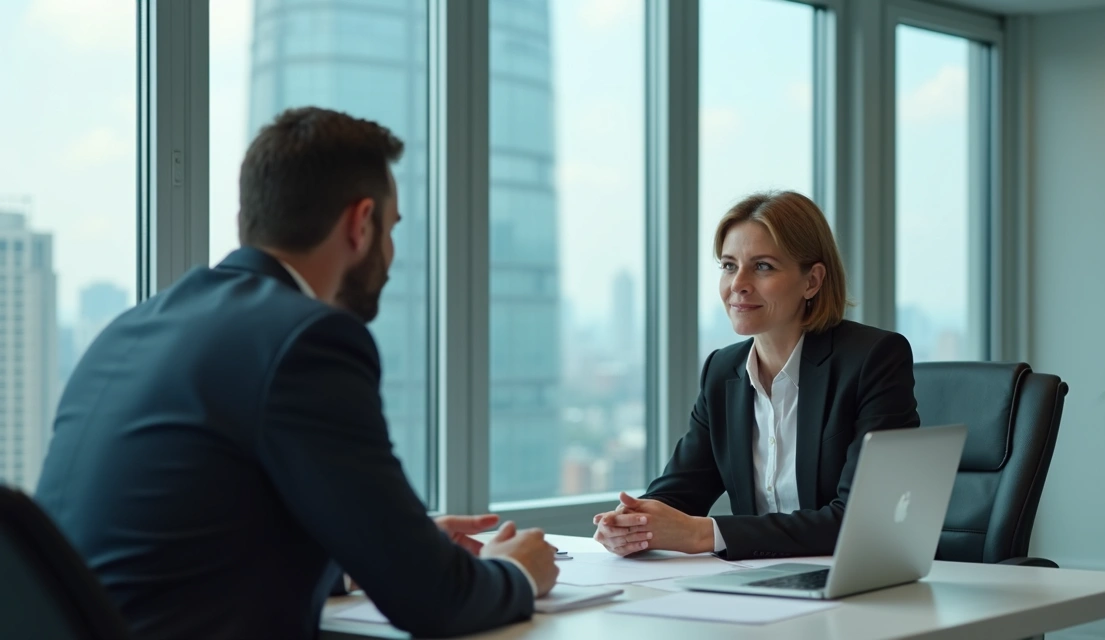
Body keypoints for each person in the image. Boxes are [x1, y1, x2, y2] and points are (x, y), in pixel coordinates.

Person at [34, 107, 557, 639]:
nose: (392, 255)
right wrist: (516, 570)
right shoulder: (307, 340)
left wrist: (377, 554)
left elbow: (188, 552)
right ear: (361, 224)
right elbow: (435, 603)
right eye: (392, 228)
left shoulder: (134, 326)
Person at [592, 190, 920, 561]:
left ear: (811, 281)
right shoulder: (723, 371)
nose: (738, 284)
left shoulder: (873, 359)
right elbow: (681, 489)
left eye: (762, 266)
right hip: (755, 584)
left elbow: (862, 520)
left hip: (852, 583)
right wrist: (634, 522)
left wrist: (706, 533)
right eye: (729, 266)